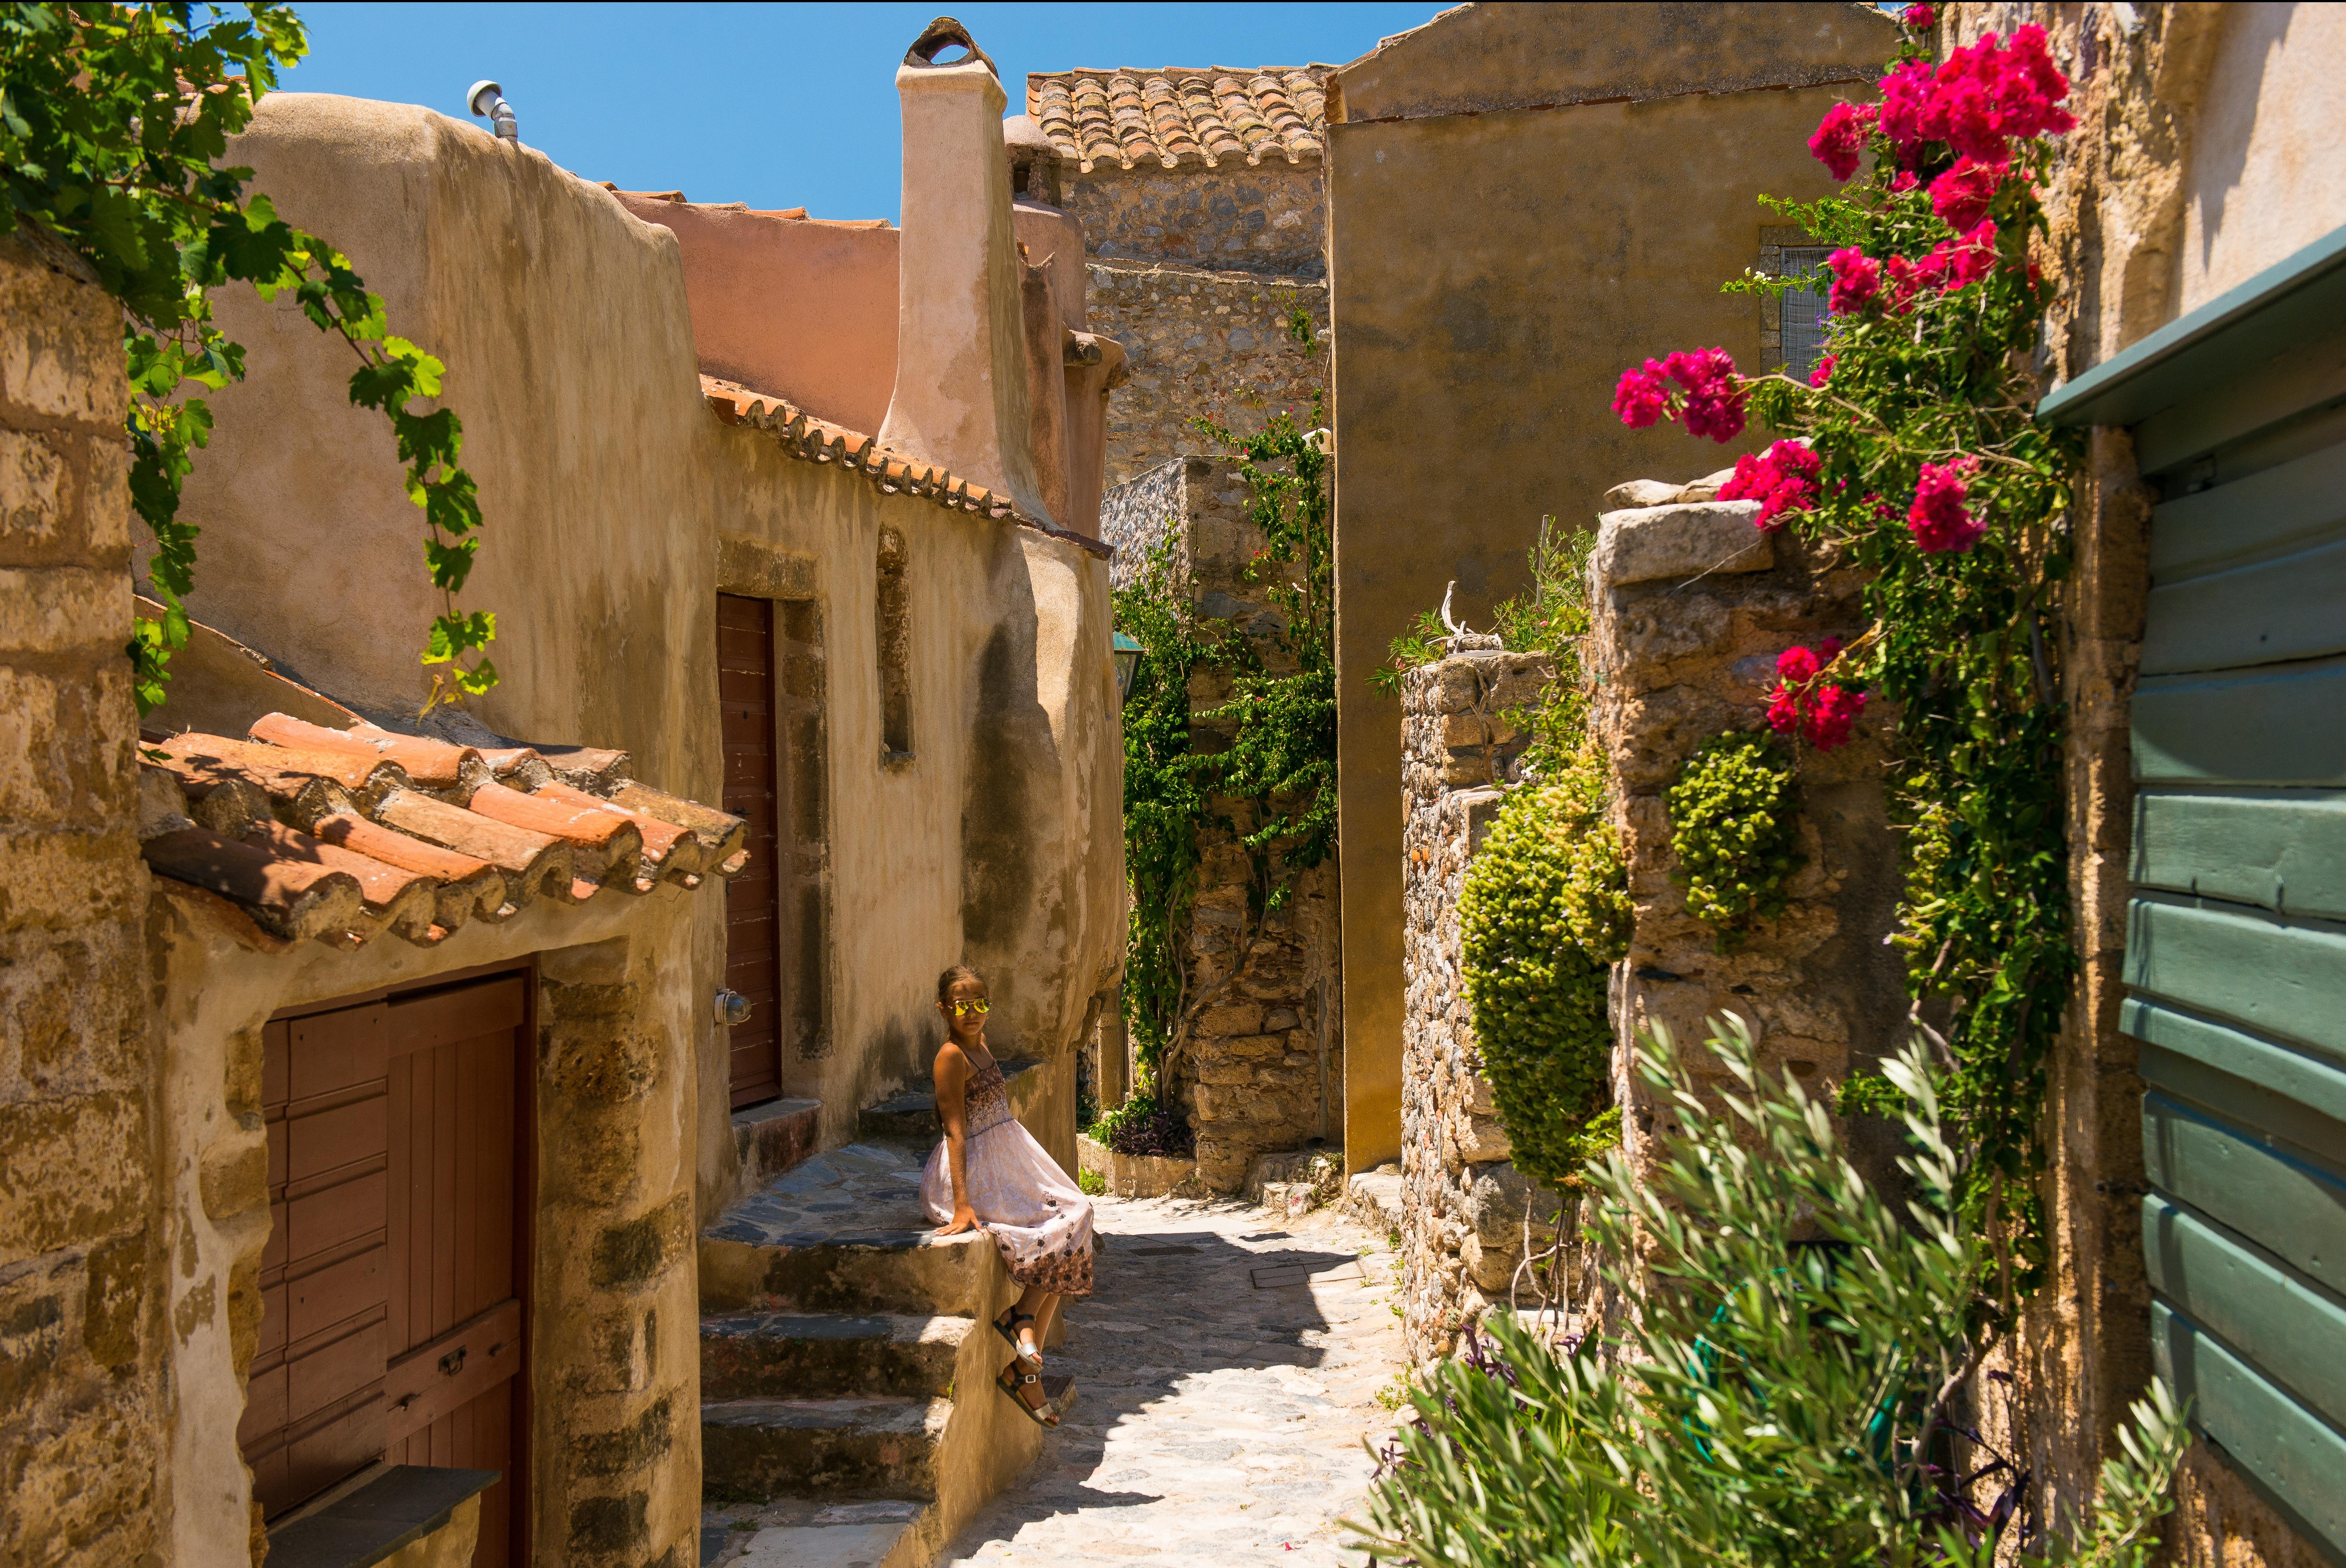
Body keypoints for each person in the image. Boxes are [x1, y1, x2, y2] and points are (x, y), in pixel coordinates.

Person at [919, 963, 1095, 1428]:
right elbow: (955, 1132)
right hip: (976, 1169)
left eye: (981, 1003)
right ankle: (1021, 1337)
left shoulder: (981, 1048)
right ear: (944, 1009)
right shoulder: (950, 1057)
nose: (973, 1012)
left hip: (1007, 1156)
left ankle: (1022, 1335)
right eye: (962, 1004)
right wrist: (962, 1204)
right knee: (1066, 1222)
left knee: (1077, 1215)